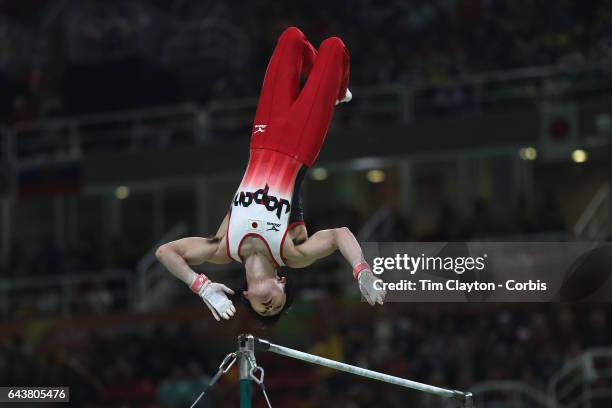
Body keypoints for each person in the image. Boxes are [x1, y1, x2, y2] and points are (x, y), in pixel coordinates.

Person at [156, 27, 385, 323]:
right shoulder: (292, 253)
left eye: (262, 308)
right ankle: (336, 90)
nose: (267, 304)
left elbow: (165, 252)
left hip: (262, 139)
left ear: (246, 295)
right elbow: (340, 235)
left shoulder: (223, 247)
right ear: (282, 283)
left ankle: (331, 90)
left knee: (290, 37)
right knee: (333, 46)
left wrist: (201, 286)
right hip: (298, 146)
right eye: (276, 305)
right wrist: (361, 270)